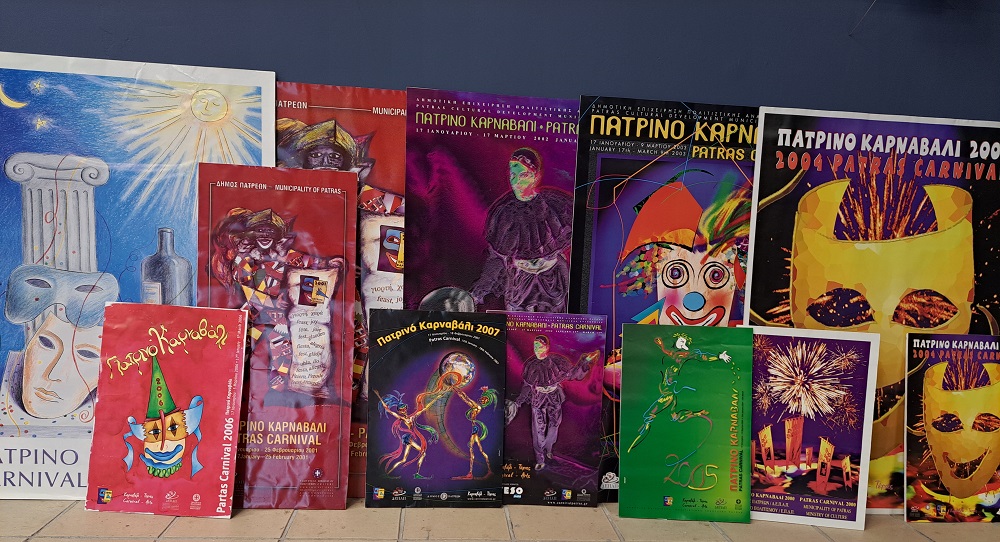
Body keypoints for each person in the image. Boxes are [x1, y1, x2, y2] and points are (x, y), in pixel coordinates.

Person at [471, 148, 573, 312]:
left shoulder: (555, 207)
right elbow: (496, 259)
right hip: (520, 286)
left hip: (553, 284)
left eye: (524, 175)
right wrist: (478, 292)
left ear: (535, 176)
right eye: (513, 175)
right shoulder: (503, 214)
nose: (516, 182)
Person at [506, 335, 599, 470]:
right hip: (538, 399)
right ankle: (540, 459)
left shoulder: (557, 361)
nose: (537, 350)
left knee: (554, 425)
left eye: (540, 346)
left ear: (547, 347)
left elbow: (573, 374)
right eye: (535, 346)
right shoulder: (531, 365)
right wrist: (518, 402)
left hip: (554, 397)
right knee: (538, 429)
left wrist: (585, 361)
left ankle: (548, 448)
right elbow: (526, 387)